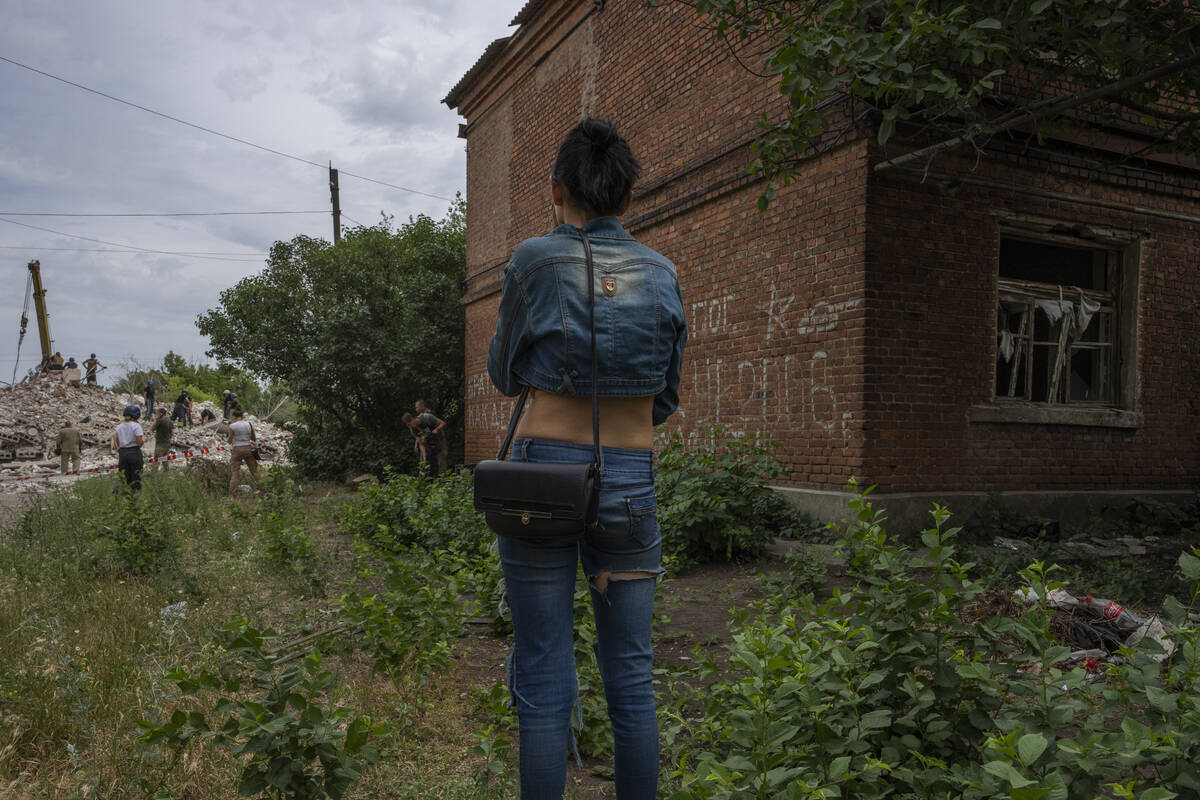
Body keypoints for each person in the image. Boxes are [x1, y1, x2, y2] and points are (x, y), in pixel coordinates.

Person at [485, 118, 687, 799]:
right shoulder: (663, 273)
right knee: (631, 674)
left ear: (556, 191)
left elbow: (505, 375)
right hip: (630, 477)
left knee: (544, 673)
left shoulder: (533, 259)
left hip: (542, 476)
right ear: (627, 198)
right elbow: (667, 395)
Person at [111, 405, 145, 491]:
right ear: (136, 415)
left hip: (123, 454)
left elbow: (117, 444)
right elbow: (139, 443)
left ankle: (118, 497)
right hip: (134, 453)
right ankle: (135, 499)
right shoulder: (136, 426)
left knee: (124, 478)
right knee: (136, 478)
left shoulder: (119, 427)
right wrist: (144, 440)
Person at [227, 408, 259, 495]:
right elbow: (254, 438)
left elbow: (229, 441)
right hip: (248, 448)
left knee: (235, 473)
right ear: (242, 416)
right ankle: (263, 489)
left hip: (237, 449)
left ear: (235, 417)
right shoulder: (249, 424)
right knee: (255, 471)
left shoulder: (232, 426)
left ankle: (233, 494)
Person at [415, 399, 449, 473]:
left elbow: (440, 424)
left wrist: (436, 430)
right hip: (426, 441)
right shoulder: (419, 417)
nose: (416, 409)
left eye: (417, 407)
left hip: (438, 440)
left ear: (422, 406)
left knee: (440, 459)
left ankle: (442, 478)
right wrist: (416, 443)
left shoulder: (430, 415)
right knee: (425, 459)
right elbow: (418, 431)